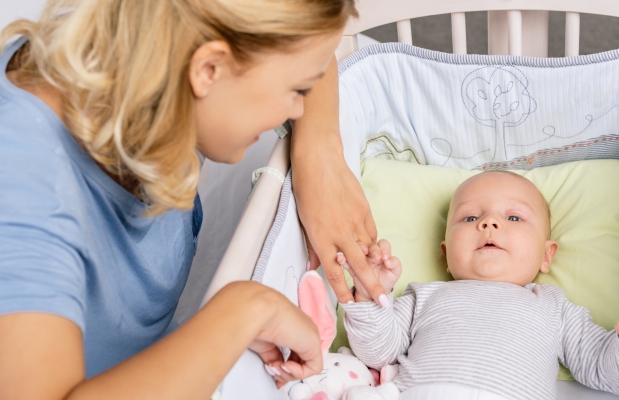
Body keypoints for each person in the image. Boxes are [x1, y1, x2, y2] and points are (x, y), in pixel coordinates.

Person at [0, 0, 382, 398]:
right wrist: (243, 310)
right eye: (295, 91)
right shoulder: (23, 189)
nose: (298, 108)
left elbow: (301, 47)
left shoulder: (153, 53)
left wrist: (319, 148)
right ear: (208, 70)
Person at [335, 171, 619, 399]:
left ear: (546, 257)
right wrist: (371, 295)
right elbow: (378, 353)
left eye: (513, 217)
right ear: (446, 254)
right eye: (470, 217)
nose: (488, 223)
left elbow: (600, 367)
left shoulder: (552, 306)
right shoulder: (425, 295)